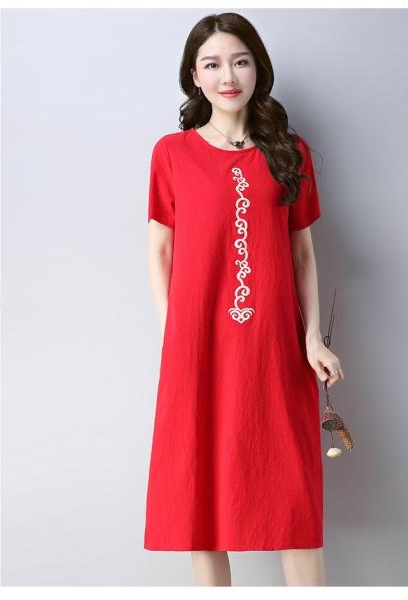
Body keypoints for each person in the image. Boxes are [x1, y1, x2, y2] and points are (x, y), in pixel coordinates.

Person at [144, 12, 344, 586]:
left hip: (274, 343)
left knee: (291, 494)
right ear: (194, 76)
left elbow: (302, 253)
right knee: (199, 490)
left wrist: (312, 338)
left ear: (258, 68)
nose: (227, 76)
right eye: (212, 64)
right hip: (199, 345)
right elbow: (160, 251)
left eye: (240, 61)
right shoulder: (171, 154)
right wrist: (175, 334)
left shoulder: (290, 152)